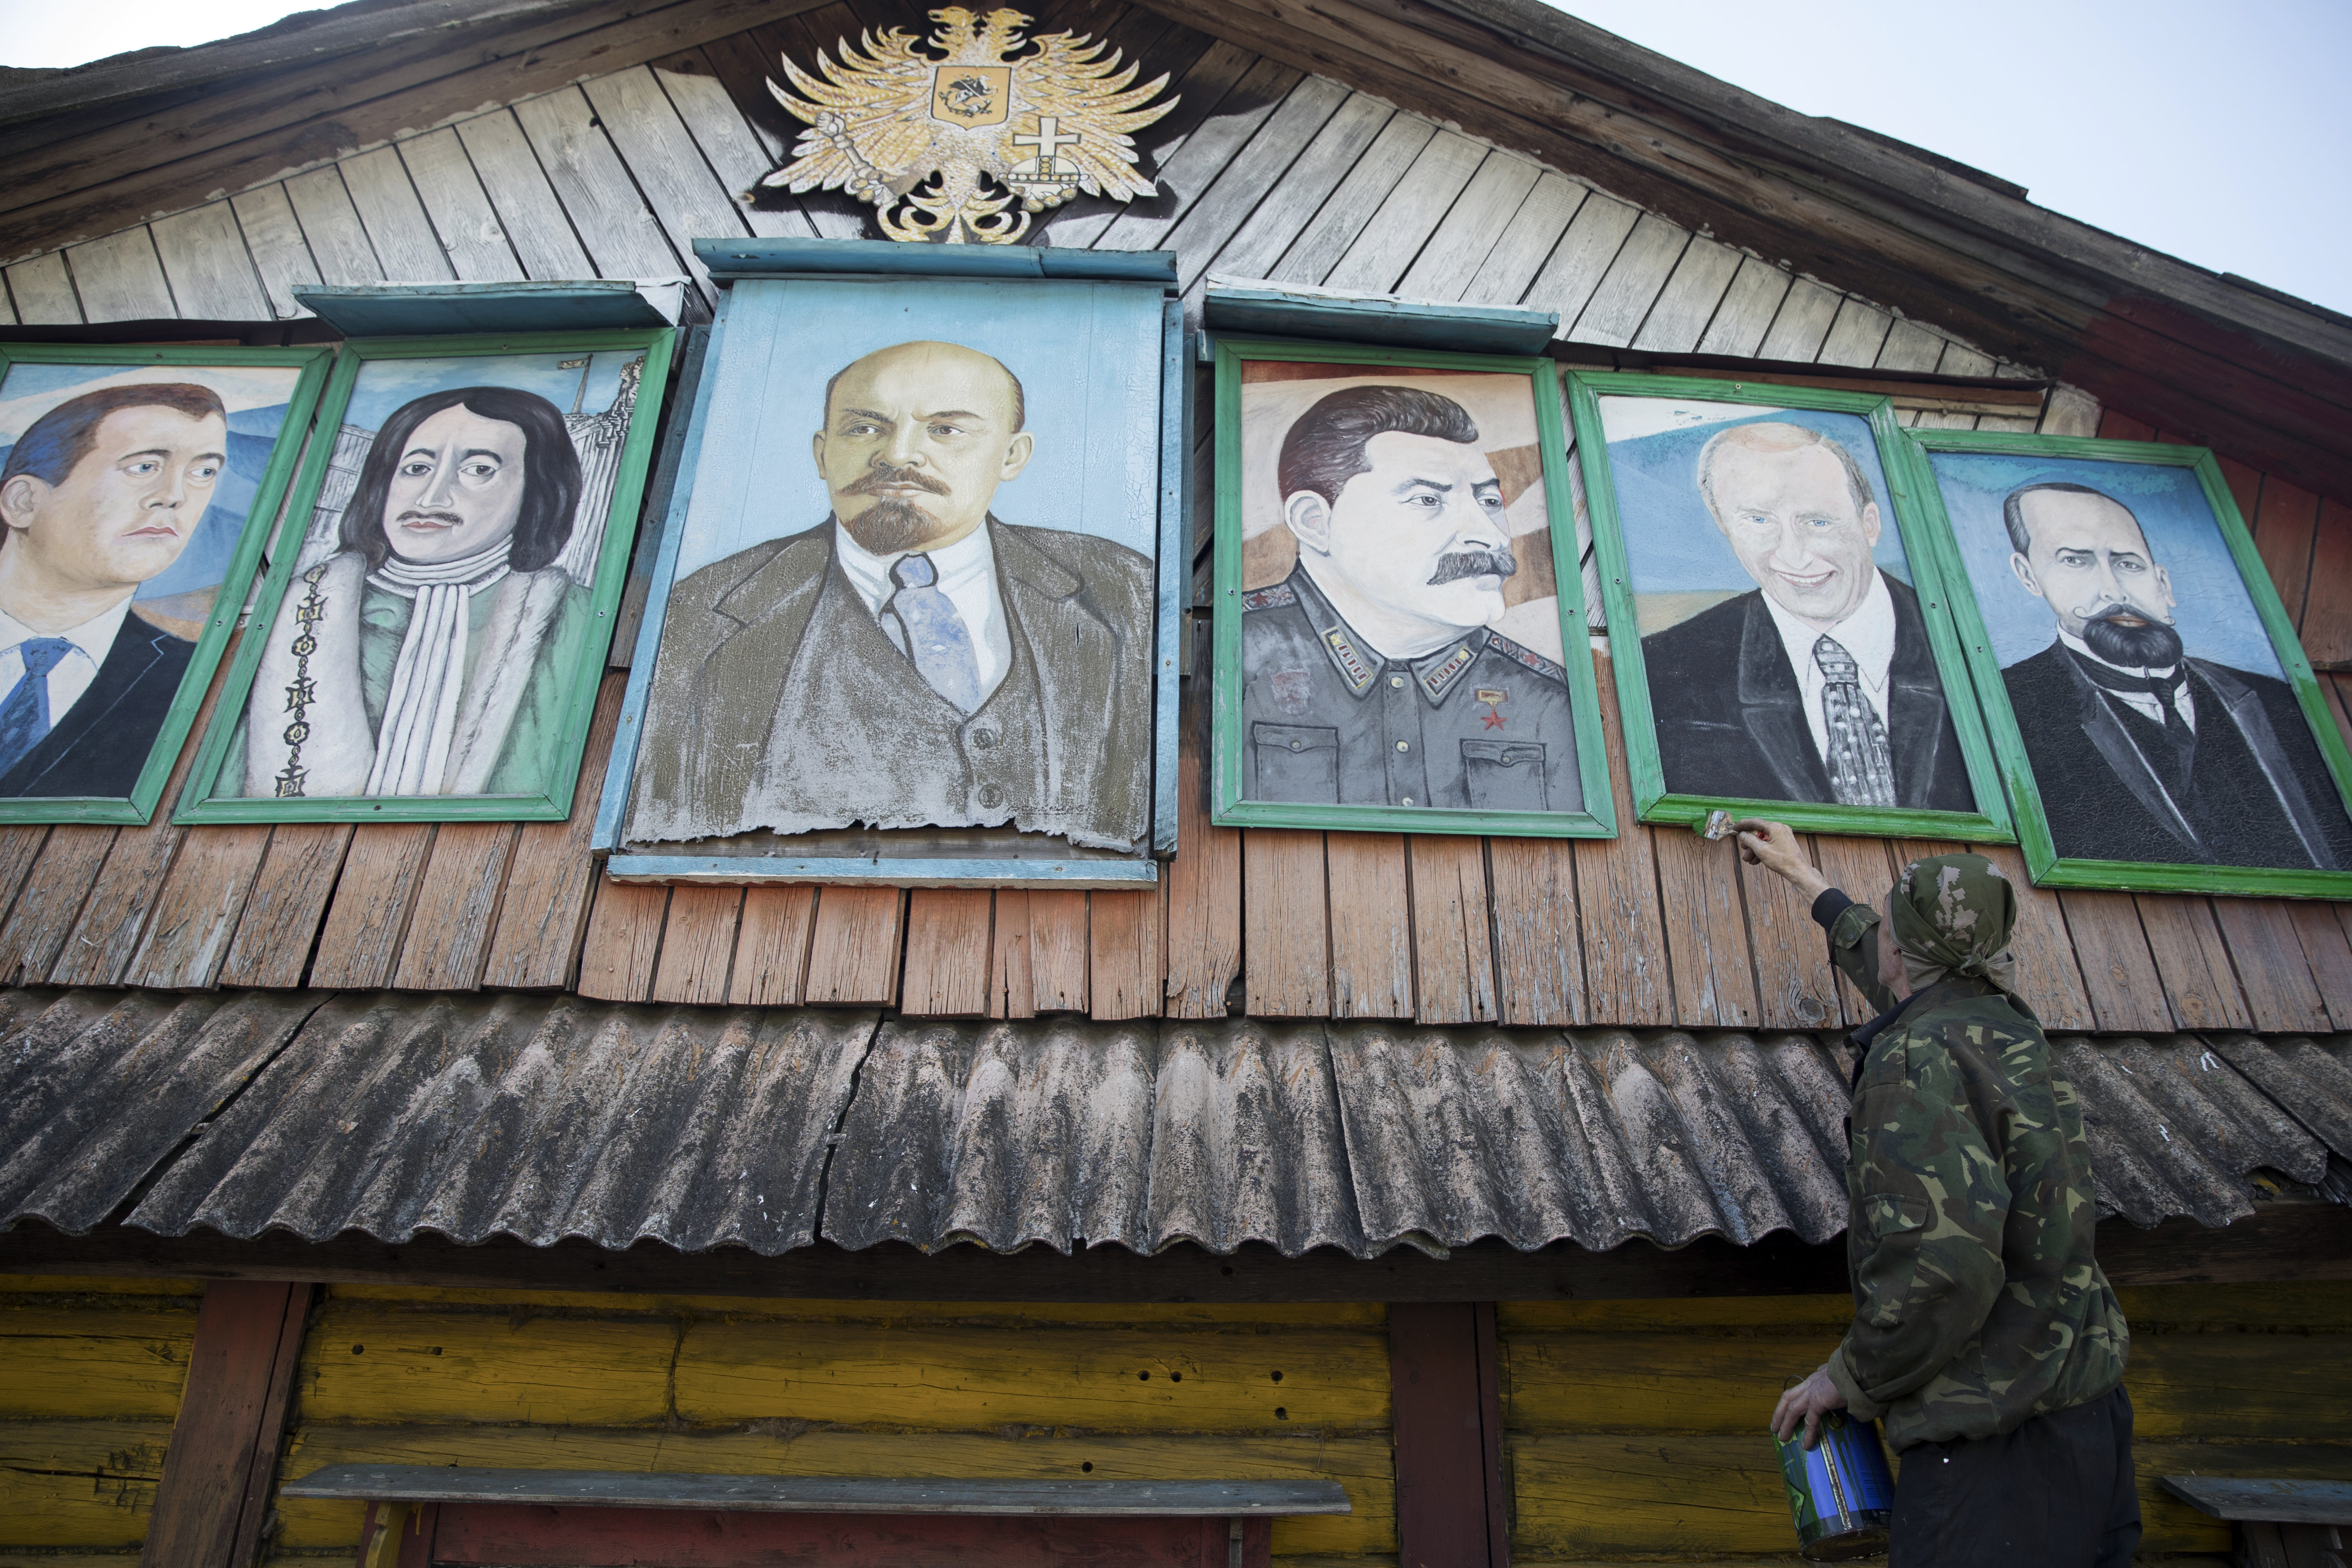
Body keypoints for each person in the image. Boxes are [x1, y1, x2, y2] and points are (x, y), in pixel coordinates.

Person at [1736, 817, 2137, 1568]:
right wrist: (1802, 877)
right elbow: (1905, 963)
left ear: (1901, 951)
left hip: (1992, 1445)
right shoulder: (1999, 1021)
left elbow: (1940, 1269)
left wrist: (1848, 1378)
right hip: (2087, 1420)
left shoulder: (1915, 1061)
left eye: (1887, 927)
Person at [629, 339, 1155, 852]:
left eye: (945, 429)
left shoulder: (1123, 590)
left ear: (1012, 455)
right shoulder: (705, 609)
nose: (898, 454)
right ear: (822, 453)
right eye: (863, 428)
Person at [1240, 385, 1580, 812]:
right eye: (1427, 499)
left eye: (1489, 501)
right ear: (1315, 523)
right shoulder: (1232, 661)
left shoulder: (1543, 699)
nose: (1490, 535)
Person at [242, 386, 591, 798]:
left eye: (479, 470)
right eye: (416, 468)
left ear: (538, 489)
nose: (432, 497)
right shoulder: (304, 606)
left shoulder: (572, 615)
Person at [1999, 480, 2352, 869]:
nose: (2113, 590)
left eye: (2128, 564)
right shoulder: (2010, 704)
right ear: (2029, 576)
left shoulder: (2271, 699)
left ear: (2162, 583)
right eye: (2075, 561)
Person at [1642, 422, 1971, 811]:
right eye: (1758, 521)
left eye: (1817, 521)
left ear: (1870, 524)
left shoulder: (1970, 649)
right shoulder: (1664, 667)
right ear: (1723, 525)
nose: (1793, 556)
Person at [0, 383, 226, 798]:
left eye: (203, 472)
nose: (175, 497)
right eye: (144, 467)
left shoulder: (197, 675)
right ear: (23, 502)